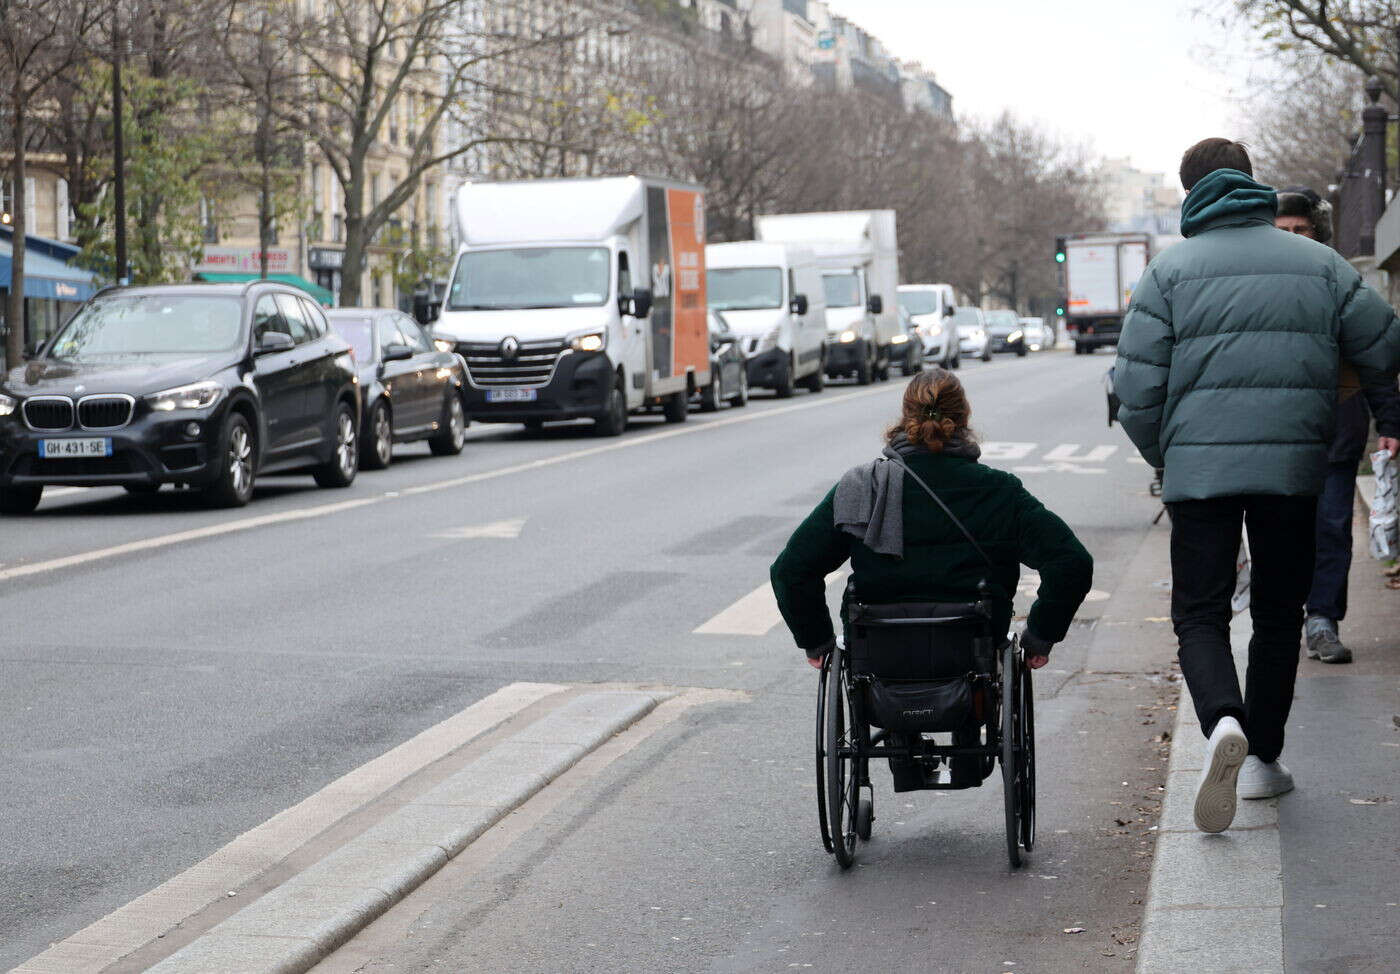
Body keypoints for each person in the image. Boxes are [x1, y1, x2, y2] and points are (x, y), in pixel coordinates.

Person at [1114, 139, 1400, 833]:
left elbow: (1135, 390)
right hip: (1293, 469)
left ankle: (1221, 725)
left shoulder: (1167, 273)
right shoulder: (1322, 264)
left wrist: (1169, 456)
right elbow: (1384, 346)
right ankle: (1264, 760)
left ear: (1190, 192)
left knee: (1200, 615)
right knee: (1278, 612)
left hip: (1198, 476)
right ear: (1250, 182)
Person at [770, 368, 1093, 790]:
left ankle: (902, 747)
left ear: (904, 417)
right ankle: (968, 732)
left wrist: (816, 639)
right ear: (964, 419)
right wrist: (1040, 635)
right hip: (971, 650)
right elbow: (1071, 563)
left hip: (880, 654)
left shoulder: (861, 487)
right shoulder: (999, 492)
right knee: (971, 645)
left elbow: (791, 570)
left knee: (892, 642)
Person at [1275, 186, 1400, 664]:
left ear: (1317, 232)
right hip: (1277, 436)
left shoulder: (1340, 280)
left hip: (1335, 430)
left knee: (1330, 528)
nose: (1292, 238)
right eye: (1282, 230)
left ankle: (1322, 619)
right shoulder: (1258, 281)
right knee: (1283, 532)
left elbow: (1375, 352)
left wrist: (1389, 418)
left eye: (1300, 230)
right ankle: (1284, 619)